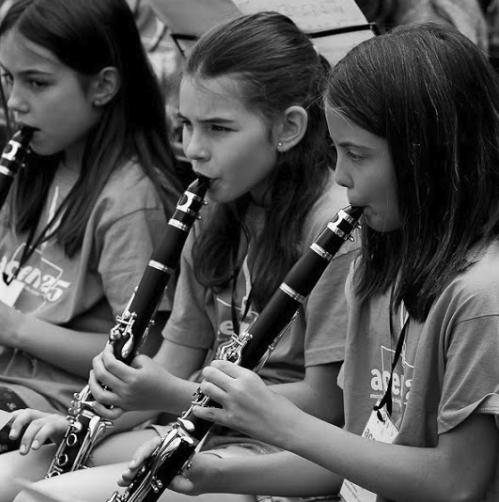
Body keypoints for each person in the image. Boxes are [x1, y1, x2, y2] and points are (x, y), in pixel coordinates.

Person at [113, 21, 499, 502]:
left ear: (434, 158)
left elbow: (456, 484)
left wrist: (279, 423)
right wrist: (215, 476)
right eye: (337, 152)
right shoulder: (377, 267)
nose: (340, 174)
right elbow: (355, 453)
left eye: (357, 154)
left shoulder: (481, 298)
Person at [1, 11, 358, 502]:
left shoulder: (334, 230)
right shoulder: (213, 211)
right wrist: (80, 422)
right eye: (185, 126)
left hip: (276, 459)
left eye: (218, 129)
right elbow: (175, 357)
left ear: (288, 128)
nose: (194, 150)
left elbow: (325, 404)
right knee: (17, 474)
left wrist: (170, 393)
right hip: (195, 431)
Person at [0, 0, 183, 456]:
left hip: (47, 409)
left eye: (37, 82)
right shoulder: (33, 168)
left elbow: (143, 354)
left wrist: (16, 328)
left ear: (102, 86)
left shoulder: (130, 200)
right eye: (7, 78)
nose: (15, 101)